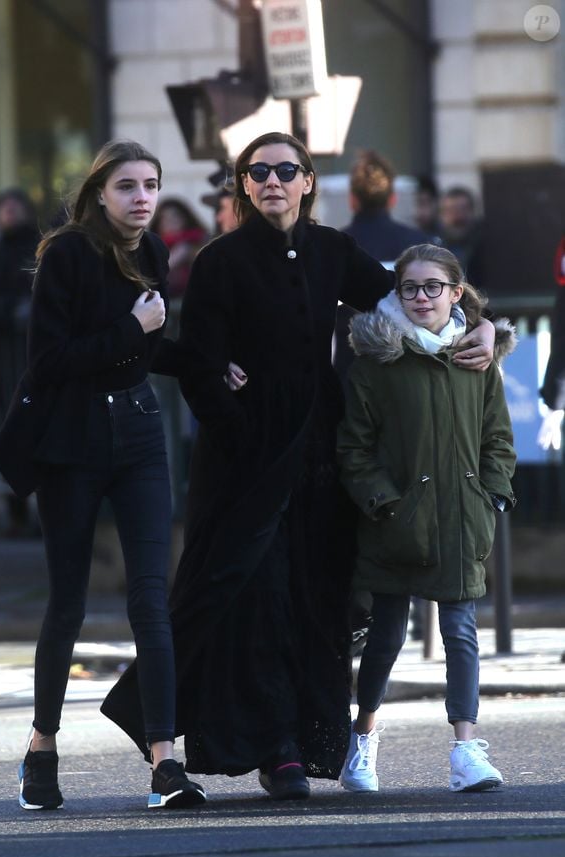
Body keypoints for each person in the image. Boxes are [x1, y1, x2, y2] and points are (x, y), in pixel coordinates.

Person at [101, 132, 498, 802]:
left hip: (318, 442)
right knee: (249, 591)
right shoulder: (220, 260)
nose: (272, 181)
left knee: (316, 591)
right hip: (246, 451)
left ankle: (311, 738)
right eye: (258, 172)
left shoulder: (332, 249)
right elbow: (200, 363)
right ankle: (272, 747)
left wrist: (484, 324)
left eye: (286, 170)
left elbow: (409, 295)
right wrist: (238, 429)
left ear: (309, 181)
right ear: (244, 186)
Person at [0, 140, 205, 811]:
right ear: (99, 194)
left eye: (151, 185)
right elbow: (50, 362)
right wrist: (129, 326)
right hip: (74, 440)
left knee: (151, 598)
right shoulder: (66, 254)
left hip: (139, 433)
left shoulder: (154, 253)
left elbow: (145, 346)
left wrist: (206, 365)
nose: (142, 197)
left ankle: (166, 760)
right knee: (69, 603)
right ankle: (41, 745)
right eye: (127, 186)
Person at [336, 243, 516, 795]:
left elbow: (498, 440)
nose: (420, 298)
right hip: (396, 522)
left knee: (462, 632)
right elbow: (355, 448)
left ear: (456, 293)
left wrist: (493, 497)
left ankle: (465, 749)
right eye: (409, 288)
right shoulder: (376, 360)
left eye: (432, 287)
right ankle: (361, 740)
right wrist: (385, 503)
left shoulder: (476, 359)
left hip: (462, 518)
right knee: (386, 636)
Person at [334, 150, 429, 385]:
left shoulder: (332, 247)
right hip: (412, 371)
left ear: (352, 199)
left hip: (350, 374)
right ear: (392, 198)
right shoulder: (422, 246)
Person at [0, 188, 39, 534]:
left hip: (30, 357)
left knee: (29, 424)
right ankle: (1, 510)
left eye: (14, 206)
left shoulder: (38, 249)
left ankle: (33, 510)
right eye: (3, 206)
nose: (9, 213)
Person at [150, 197, 208, 303]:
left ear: (186, 219)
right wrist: (172, 261)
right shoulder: (150, 249)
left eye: (175, 216)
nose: (171, 222)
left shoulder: (201, 243)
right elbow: (148, 282)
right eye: (164, 219)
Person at [439, 186, 486, 286]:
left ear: (474, 212)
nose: (459, 216)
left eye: (464, 209)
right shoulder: (433, 250)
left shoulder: (489, 248)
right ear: (442, 215)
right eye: (451, 210)